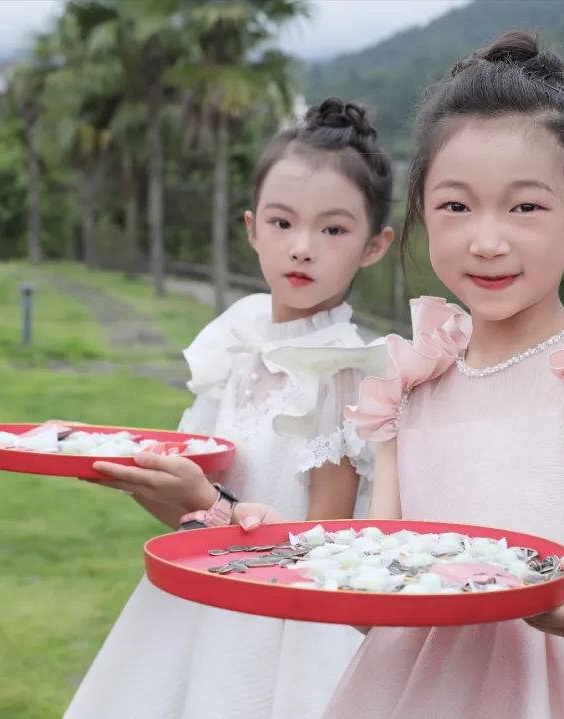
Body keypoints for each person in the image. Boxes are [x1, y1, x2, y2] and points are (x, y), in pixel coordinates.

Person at [277, 29, 564, 718]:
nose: (487, 241)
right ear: (422, 213)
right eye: (456, 206)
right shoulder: (410, 385)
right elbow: (377, 604)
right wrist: (276, 541)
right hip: (420, 690)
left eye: (526, 206)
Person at [61, 97, 395, 719]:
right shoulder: (237, 344)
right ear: (251, 228)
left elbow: (321, 553)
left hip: (280, 630)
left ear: (374, 246)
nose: (302, 248)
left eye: (334, 229)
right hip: (196, 602)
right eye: (281, 222)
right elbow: (184, 512)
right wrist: (142, 479)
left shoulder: (347, 373)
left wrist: (209, 509)